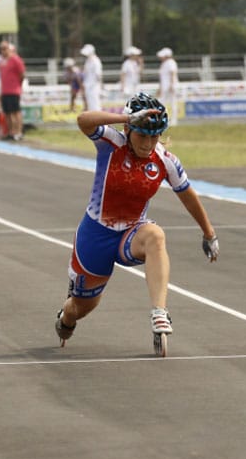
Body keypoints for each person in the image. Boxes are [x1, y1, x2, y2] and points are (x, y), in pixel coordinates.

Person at [54, 92, 220, 348]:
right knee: (82, 307)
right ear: (128, 129)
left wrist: (209, 234)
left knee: (155, 235)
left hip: (130, 233)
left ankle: (159, 313)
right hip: (96, 235)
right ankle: (66, 317)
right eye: (142, 135)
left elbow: (187, 194)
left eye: (155, 136)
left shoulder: (165, 160)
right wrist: (125, 116)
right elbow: (83, 120)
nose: (148, 143)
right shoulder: (111, 143)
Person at [0, 41, 25, 141]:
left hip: (14, 90)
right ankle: (10, 132)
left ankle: (18, 132)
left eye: (5, 48)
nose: (3, 51)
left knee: (15, 112)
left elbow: (22, 74)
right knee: (7, 112)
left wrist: (18, 84)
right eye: (1, 49)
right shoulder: (2, 61)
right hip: (5, 90)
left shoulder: (15, 59)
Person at [156, 47, 179, 126]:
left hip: (169, 86)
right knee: (162, 103)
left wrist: (172, 85)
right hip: (165, 87)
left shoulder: (171, 62)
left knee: (173, 103)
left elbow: (173, 73)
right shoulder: (164, 63)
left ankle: (174, 120)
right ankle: (164, 119)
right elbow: (162, 78)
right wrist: (160, 88)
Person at [80, 43, 103, 111]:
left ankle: (99, 119)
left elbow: (98, 75)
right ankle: (93, 119)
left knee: (95, 103)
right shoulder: (88, 61)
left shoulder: (96, 61)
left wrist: (101, 85)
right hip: (88, 85)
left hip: (94, 85)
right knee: (90, 103)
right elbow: (85, 73)